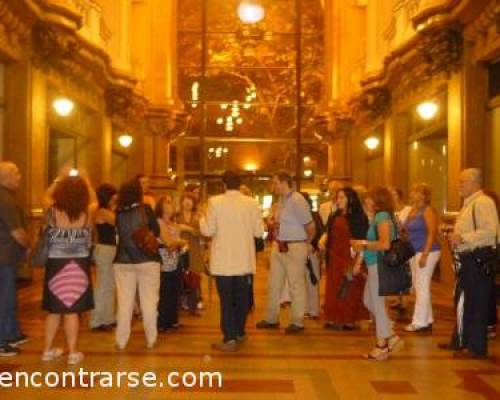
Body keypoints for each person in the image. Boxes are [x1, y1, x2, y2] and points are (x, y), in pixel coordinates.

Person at [200, 171, 264, 352]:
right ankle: (240, 332)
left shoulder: (215, 202)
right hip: (244, 261)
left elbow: (208, 230)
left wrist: (202, 218)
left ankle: (229, 338)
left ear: (224, 184)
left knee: (227, 300)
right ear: (239, 183)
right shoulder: (251, 203)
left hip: (223, 262)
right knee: (242, 299)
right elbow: (259, 232)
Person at [439, 169, 499, 358]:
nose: (459, 185)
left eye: (462, 181)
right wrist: (452, 232)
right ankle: (460, 340)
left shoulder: (483, 202)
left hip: (477, 259)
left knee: (476, 303)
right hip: (467, 259)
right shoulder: (469, 203)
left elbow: (491, 232)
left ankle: (476, 347)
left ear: (474, 183)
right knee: (463, 300)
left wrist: (462, 237)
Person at [41, 175, 93, 365]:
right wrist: (86, 181)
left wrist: (57, 180)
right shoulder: (87, 213)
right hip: (78, 265)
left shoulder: (51, 212)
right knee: (71, 310)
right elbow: (88, 241)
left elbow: (45, 197)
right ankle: (72, 352)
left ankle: (47, 350)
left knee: (54, 311)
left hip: (55, 265)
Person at [256, 172, 315, 334]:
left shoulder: (297, 200)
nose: (273, 186)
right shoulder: (281, 201)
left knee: (296, 285)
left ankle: (297, 321)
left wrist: (306, 244)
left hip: (295, 246)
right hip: (279, 245)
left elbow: (310, 226)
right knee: (274, 283)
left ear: (284, 183)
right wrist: (274, 225)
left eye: (275, 183)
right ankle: (271, 318)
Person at [351, 186, 404, 360]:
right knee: (369, 301)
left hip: (379, 266)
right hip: (374, 264)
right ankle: (391, 336)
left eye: (369, 197)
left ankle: (382, 346)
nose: (366, 200)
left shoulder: (381, 216)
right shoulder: (379, 217)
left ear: (378, 200)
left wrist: (363, 245)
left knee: (378, 305)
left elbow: (385, 244)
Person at [113, 179, 161, 350]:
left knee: (124, 303)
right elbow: (156, 231)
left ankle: (121, 341)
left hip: (123, 261)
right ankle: (151, 339)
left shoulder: (117, 213)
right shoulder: (145, 210)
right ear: (138, 193)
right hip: (147, 260)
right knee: (149, 301)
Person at [322, 187, 369, 330]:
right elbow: (329, 233)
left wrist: (358, 263)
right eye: (338, 197)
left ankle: (349, 319)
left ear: (350, 199)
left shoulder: (359, 217)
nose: (339, 200)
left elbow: (362, 241)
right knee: (333, 287)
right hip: (335, 256)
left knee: (350, 288)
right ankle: (333, 317)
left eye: (342, 197)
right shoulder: (335, 214)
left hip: (350, 257)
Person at [0, 162, 30, 357]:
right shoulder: (4, 199)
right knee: (5, 299)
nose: (20, 177)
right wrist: (29, 245)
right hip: (4, 258)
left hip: (6, 258)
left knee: (8, 297)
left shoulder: (6, 197)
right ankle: (3, 341)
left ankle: (11, 333)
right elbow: (17, 232)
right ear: (6, 176)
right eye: (16, 173)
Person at [404, 183, 441, 332]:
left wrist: (425, 254)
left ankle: (419, 322)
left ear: (424, 195)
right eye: (412, 190)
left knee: (422, 285)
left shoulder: (428, 210)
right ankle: (427, 319)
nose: (412, 193)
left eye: (417, 191)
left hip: (428, 251)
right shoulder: (412, 210)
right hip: (414, 251)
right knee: (419, 285)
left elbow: (432, 233)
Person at [156, 195, 188, 332]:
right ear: (161, 206)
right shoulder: (159, 222)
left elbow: (175, 241)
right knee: (166, 292)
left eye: (171, 202)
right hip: (164, 260)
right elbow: (168, 242)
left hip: (175, 259)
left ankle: (173, 320)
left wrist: (180, 243)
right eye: (167, 202)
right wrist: (181, 242)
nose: (171, 204)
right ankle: (163, 323)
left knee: (175, 290)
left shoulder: (173, 222)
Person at [90, 184, 118, 331]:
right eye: (114, 195)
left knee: (110, 285)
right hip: (105, 249)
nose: (116, 197)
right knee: (103, 285)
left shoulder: (106, 210)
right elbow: (117, 221)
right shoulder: (101, 211)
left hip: (110, 249)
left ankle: (108, 317)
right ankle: (97, 320)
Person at [177, 192, 204, 314]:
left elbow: (203, 233)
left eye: (190, 200)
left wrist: (189, 229)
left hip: (194, 250)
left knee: (194, 277)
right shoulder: (176, 216)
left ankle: (193, 306)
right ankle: (180, 304)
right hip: (179, 248)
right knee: (181, 276)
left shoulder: (198, 216)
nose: (187, 202)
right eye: (185, 199)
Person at [389, 187, 412, 312]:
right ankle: (398, 298)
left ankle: (404, 301)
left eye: (393, 194)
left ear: (399, 195)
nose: (392, 196)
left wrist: (399, 225)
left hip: (404, 244)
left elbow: (408, 228)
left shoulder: (408, 210)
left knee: (404, 272)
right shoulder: (390, 211)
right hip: (394, 243)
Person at [301, 192, 323, 319]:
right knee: (303, 281)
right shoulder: (303, 215)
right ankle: (306, 308)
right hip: (300, 251)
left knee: (312, 279)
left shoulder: (313, 215)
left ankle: (313, 309)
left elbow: (320, 232)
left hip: (311, 251)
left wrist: (313, 246)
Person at [483, 189, 499, 339]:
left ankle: (490, 324)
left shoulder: (493, 218)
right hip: (490, 259)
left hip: (491, 259)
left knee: (489, 292)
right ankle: (489, 324)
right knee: (489, 291)